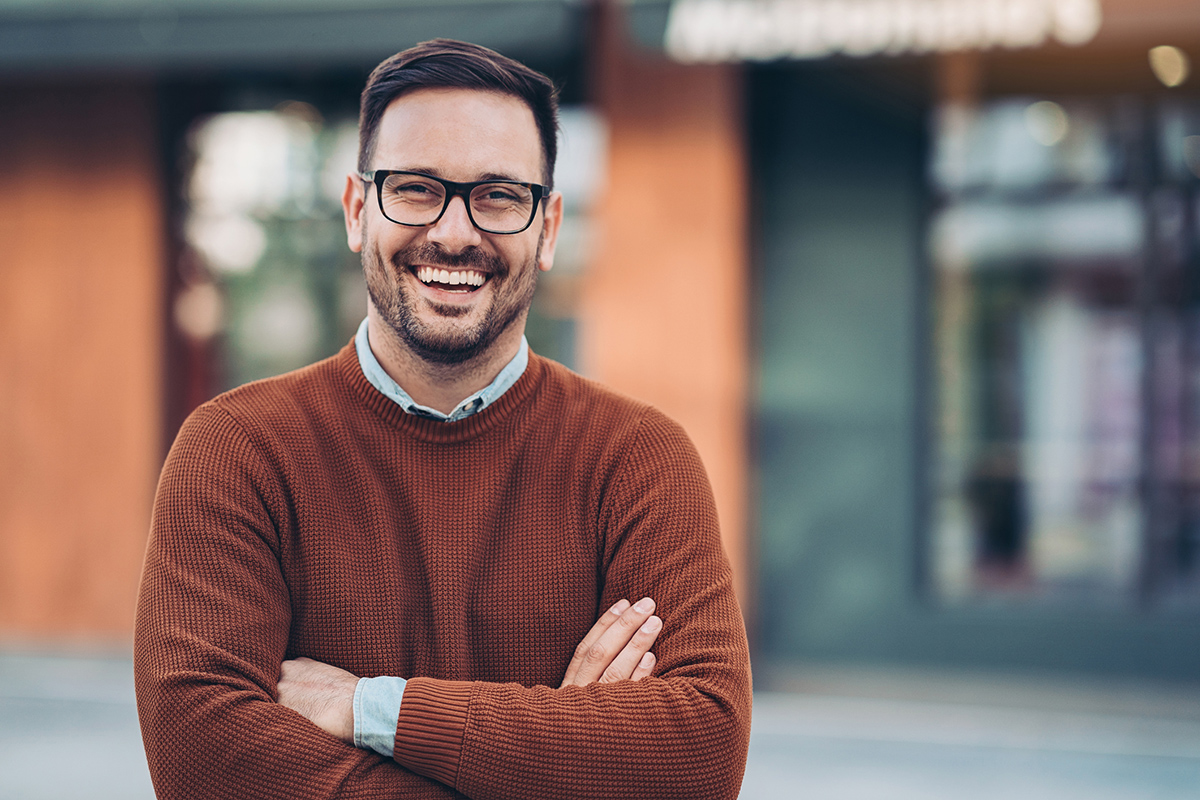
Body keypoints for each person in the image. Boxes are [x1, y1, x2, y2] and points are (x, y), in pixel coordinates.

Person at [134, 38, 751, 800]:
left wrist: (371, 708)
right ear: (359, 211)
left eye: (498, 195)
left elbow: (702, 751)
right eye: (418, 189)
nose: (455, 233)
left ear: (549, 228)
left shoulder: (637, 458)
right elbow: (205, 766)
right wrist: (563, 752)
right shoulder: (238, 451)